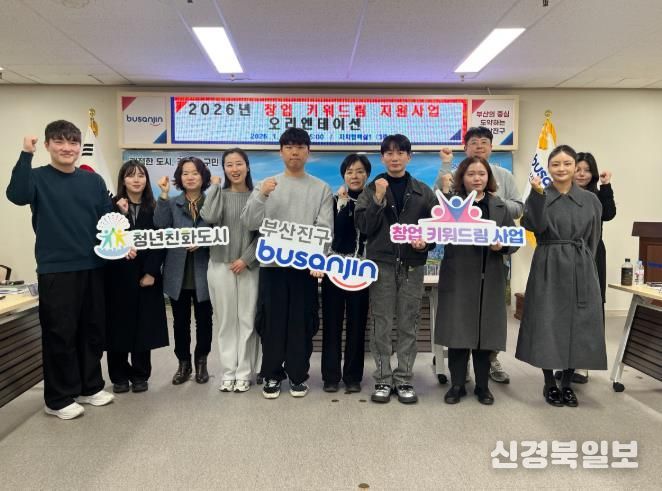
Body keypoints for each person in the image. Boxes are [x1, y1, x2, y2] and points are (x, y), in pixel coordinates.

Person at [6, 120, 114, 420]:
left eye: (73, 142)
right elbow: (16, 195)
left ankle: (89, 386)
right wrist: (25, 154)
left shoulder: (93, 181)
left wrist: (121, 243)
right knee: (60, 333)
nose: (67, 148)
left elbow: (106, 220)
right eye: (59, 141)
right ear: (48, 145)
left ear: (80, 147)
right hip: (56, 269)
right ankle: (57, 398)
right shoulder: (37, 177)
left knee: (91, 330)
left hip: (93, 265)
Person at [242, 128, 333, 399]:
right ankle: (271, 374)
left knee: (301, 323)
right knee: (271, 322)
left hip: (304, 268)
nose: (295, 152)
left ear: (308, 152)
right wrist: (261, 195)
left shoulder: (321, 188)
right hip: (272, 266)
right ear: (281, 152)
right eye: (290, 147)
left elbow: (325, 229)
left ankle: (297, 375)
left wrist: (319, 259)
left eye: (300, 147)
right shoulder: (265, 184)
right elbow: (250, 223)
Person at [516, 145, 605, 408]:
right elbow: (534, 226)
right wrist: (537, 195)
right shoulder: (540, 194)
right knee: (546, 320)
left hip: (581, 264)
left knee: (579, 323)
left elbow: (594, 238)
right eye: (556, 164)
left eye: (567, 164)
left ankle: (566, 383)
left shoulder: (591, 200)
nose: (562, 169)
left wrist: (585, 263)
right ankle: (549, 383)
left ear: (575, 167)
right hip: (548, 263)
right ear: (549, 168)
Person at [434, 126, 523, 385]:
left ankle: (486, 378)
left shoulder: (500, 193)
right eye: (474, 142)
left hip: (490, 269)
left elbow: (515, 227)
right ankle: (458, 379)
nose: (476, 178)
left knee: (487, 326)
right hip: (460, 269)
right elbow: (436, 208)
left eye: (481, 174)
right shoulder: (453, 196)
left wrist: (500, 242)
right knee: (458, 325)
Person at [355, 134, 437, 404]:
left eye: (400, 152)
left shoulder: (423, 191)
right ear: (382, 158)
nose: (395, 158)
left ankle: (403, 379)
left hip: (413, 265)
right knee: (381, 323)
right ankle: (382, 378)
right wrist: (378, 198)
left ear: (409, 157)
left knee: (408, 323)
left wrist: (425, 243)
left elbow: (436, 227)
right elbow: (364, 227)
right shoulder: (371, 189)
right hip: (381, 265)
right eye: (389, 153)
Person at [105, 160, 168, 394]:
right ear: (123, 179)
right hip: (117, 276)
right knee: (118, 327)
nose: (136, 180)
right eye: (131, 175)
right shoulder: (111, 206)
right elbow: (104, 237)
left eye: (141, 175)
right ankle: (119, 376)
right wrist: (118, 213)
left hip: (146, 275)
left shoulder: (155, 206)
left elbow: (161, 241)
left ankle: (141, 375)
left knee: (144, 326)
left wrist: (151, 272)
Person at [553, 152, 616, 385]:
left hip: (592, 253)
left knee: (590, 307)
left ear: (593, 174)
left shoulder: (596, 196)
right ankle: (565, 361)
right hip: (565, 255)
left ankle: (583, 365)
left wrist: (606, 186)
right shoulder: (561, 194)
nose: (581, 174)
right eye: (577, 169)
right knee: (565, 307)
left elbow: (609, 214)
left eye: (587, 170)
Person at [200, 148, 260, 393]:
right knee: (225, 321)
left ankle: (244, 372)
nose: (234, 169)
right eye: (229, 165)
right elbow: (209, 216)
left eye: (239, 163)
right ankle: (228, 371)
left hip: (248, 266)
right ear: (223, 169)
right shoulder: (219, 194)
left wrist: (246, 259)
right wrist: (214, 187)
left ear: (247, 166)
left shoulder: (258, 196)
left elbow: (265, 233)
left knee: (247, 319)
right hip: (220, 265)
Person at [154, 157, 213, 385]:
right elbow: (160, 225)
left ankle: (201, 362)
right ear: (179, 178)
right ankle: (183, 363)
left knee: (204, 321)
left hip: (204, 271)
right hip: (177, 272)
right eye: (185, 173)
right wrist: (163, 195)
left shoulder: (211, 202)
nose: (190, 177)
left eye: (195, 173)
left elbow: (220, 231)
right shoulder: (172, 203)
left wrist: (204, 241)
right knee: (180, 322)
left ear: (203, 176)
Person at [321, 154, 371, 393]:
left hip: (361, 272)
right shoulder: (333, 201)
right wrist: (342, 205)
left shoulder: (373, 201)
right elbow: (330, 234)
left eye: (360, 171)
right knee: (332, 324)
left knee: (357, 325)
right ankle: (330, 376)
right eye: (350, 172)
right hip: (334, 270)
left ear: (367, 175)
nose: (355, 176)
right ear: (343, 175)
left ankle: (353, 377)